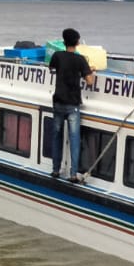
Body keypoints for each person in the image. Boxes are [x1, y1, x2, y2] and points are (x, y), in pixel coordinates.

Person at [49, 28, 94, 182]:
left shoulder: (57, 56)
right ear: (76, 42)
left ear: (63, 42)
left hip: (58, 102)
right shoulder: (80, 60)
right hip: (73, 104)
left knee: (56, 137)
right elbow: (89, 81)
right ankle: (73, 174)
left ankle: (55, 170)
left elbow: (51, 68)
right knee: (74, 139)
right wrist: (89, 70)